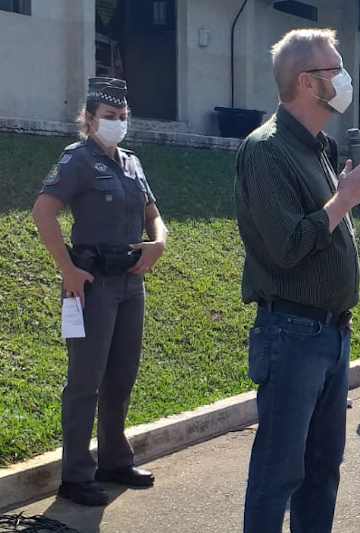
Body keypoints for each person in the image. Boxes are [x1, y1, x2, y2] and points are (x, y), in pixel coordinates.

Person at [233, 28, 360, 532]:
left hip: (329, 333)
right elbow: (286, 246)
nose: (346, 80)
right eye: (337, 70)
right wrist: (344, 200)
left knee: (321, 472)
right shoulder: (266, 150)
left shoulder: (318, 149)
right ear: (308, 83)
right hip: (291, 335)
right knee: (278, 472)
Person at [31, 77, 167, 506]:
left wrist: (159, 241)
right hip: (91, 285)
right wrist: (68, 270)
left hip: (131, 284)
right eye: (110, 117)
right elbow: (42, 214)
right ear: (89, 120)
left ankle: (113, 460)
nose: (117, 124)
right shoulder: (77, 160)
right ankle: (74, 476)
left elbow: (154, 215)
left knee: (121, 377)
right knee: (85, 382)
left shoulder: (131, 162)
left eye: (123, 117)